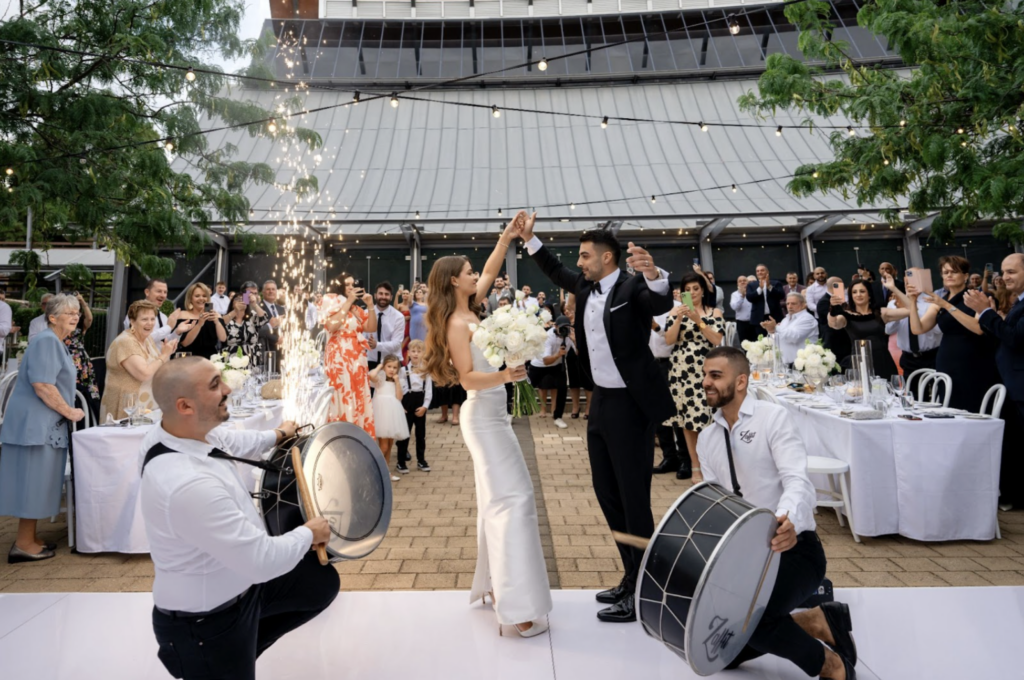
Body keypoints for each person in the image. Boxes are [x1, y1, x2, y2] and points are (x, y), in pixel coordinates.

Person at [141, 357, 338, 680]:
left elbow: (233, 441)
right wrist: (308, 533)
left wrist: (277, 434)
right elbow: (261, 561)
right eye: (215, 385)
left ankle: (243, 647)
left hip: (244, 591)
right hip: (205, 622)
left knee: (318, 582)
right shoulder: (188, 485)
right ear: (185, 405)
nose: (228, 389)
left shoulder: (180, 433)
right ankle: (221, 656)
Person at [522, 215, 674, 624]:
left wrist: (655, 273)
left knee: (633, 497)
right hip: (600, 401)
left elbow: (661, 301)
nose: (580, 261)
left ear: (608, 258)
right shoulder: (585, 286)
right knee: (606, 491)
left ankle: (645, 588)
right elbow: (554, 268)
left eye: (586, 255)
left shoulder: (633, 286)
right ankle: (630, 574)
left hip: (632, 404)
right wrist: (530, 238)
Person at [422, 211, 552, 637]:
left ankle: (497, 587)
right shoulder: (457, 323)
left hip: (498, 413)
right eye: (468, 272)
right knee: (511, 501)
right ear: (453, 282)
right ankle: (516, 606)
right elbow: (466, 379)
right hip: (482, 416)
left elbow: (495, 264)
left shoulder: (474, 307)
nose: (476, 275)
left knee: (499, 502)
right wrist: (506, 375)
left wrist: (509, 235)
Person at [697, 346, 857, 680]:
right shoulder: (707, 439)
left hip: (796, 551)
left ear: (741, 381)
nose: (706, 382)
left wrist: (787, 521)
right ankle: (814, 620)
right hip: (747, 561)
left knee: (751, 620)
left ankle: (831, 665)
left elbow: (798, 481)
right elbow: (719, 507)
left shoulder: (773, 418)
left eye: (715, 375)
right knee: (725, 652)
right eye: (704, 374)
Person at [0, 294, 86, 562]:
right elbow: (43, 385)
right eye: (69, 312)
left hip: (43, 425)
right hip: (35, 427)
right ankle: (23, 544)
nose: (75, 316)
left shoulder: (55, 342)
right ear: (52, 317)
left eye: (77, 313)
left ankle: (31, 538)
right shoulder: (48, 341)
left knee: (39, 481)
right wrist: (70, 411)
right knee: (33, 483)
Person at [886, 256, 1000, 411]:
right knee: (949, 406)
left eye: (954, 272)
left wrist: (946, 305)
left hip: (973, 360)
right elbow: (918, 329)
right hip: (947, 361)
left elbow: (978, 328)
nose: (949, 275)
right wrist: (912, 301)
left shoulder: (977, 297)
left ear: (965, 276)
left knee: (974, 406)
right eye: (945, 272)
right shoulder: (941, 300)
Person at [966, 253, 1024, 510]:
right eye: (1003, 271)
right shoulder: (1018, 303)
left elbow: (1015, 338)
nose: (1005, 276)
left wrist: (985, 312)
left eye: (1011, 271)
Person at [664, 272, 725, 484]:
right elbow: (669, 340)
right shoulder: (675, 311)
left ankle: (714, 465)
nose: (692, 293)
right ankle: (695, 467)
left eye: (696, 289)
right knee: (688, 422)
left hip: (708, 371)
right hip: (682, 372)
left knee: (709, 419)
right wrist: (680, 317)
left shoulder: (713, 311)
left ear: (703, 290)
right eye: (687, 290)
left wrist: (698, 320)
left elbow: (716, 339)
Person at [102, 300, 179, 421]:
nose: (150, 323)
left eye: (152, 319)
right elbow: (144, 374)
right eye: (144, 319)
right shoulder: (126, 342)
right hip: (127, 409)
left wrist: (168, 353)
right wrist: (164, 355)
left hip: (147, 407)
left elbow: (158, 366)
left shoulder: (147, 339)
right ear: (132, 321)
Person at [322, 277, 377, 436]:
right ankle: (342, 434)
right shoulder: (331, 300)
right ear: (339, 286)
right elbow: (332, 326)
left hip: (357, 358)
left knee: (357, 394)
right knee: (343, 392)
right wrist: (349, 301)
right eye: (347, 284)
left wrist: (370, 305)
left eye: (354, 284)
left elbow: (371, 327)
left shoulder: (355, 309)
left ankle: (358, 434)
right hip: (339, 357)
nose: (352, 287)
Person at [827, 280, 900, 379]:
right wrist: (832, 309)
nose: (858, 295)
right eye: (854, 292)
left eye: (862, 291)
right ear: (851, 296)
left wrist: (894, 288)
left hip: (883, 361)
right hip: (860, 363)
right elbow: (833, 323)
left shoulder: (881, 313)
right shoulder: (847, 316)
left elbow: (911, 310)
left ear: (869, 294)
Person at [650, 290, 687, 478]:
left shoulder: (676, 307)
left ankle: (684, 459)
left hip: (671, 363)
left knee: (676, 412)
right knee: (658, 415)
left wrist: (656, 327)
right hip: (649, 363)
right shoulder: (643, 305)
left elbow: (672, 338)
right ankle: (669, 457)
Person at [884, 293, 942, 389]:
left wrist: (915, 311)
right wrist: (899, 312)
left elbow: (938, 330)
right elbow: (888, 330)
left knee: (936, 392)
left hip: (931, 356)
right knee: (912, 395)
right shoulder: (895, 302)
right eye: (907, 277)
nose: (910, 281)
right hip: (909, 358)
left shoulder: (932, 301)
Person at [528, 315, 573, 429]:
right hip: (540, 364)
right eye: (561, 327)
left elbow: (578, 352)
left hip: (557, 365)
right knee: (528, 387)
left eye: (566, 327)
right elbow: (546, 361)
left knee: (562, 388)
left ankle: (558, 417)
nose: (564, 330)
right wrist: (558, 354)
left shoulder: (569, 336)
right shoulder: (548, 336)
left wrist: (575, 339)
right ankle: (512, 412)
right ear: (555, 326)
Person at [369, 354, 409, 481]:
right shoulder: (380, 378)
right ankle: (376, 470)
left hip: (393, 412)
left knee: (390, 444)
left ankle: (386, 472)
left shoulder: (398, 380)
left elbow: (399, 397)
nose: (392, 369)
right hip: (382, 412)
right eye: (389, 366)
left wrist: (397, 381)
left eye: (395, 367)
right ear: (384, 367)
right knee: (384, 446)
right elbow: (371, 375)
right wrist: (380, 365)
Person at [395, 339, 432, 474]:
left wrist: (425, 406)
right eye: (413, 351)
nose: (416, 354)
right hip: (406, 404)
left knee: (420, 434)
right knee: (404, 434)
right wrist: (400, 406)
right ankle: (401, 462)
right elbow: (397, 389)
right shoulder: (403, 371)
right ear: (408, 353)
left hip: (420, 404)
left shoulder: (426, 371)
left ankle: (421, 460)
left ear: (423, 354)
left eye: (419, 351)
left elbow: (428, 390)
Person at [62, 293, 100, 419]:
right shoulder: (59, 325)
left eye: (76, 313)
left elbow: (89, 319)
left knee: (86, 388)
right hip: (66, 357)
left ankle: (88, 412)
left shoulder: (79, 325)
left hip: (81, 360)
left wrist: (83, 302)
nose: (74, 316)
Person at [169, 282, 225, 359]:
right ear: (190, 298)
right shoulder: (183, 315)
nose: (201, 298)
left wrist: (217, 322)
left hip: (210, 358)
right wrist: (199, 324)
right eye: (197, 296)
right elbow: (185, 343)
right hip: (188, 357)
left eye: (204, 296)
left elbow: (223, 338)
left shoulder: (215, 315)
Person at [762, 293, 819, 366]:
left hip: (803, 365)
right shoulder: (785, 320)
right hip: (784, 364)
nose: (789, 306)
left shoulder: (808, 319)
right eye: (787, 304)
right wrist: (771, 331)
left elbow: (794, 337)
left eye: (793, 303)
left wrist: (776, 327)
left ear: (802, 305)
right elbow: (778, 339)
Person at [561, 293, 593, 419]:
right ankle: (575, 407)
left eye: (569, 309)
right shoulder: (563, 325)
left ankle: (589, 409)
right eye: (565, 310)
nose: (568, 312)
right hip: (570, 356)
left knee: (587, 382)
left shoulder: (583, 322)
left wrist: (575, 340)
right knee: (574, 383)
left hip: (585, 355)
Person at [122, 279, 181, 345]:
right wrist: (168, 327)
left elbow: (165, 341)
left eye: (165, 292)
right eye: (159, 291)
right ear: (147, 292)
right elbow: (143, 338)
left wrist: (177, 332)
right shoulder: (135, 311)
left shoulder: (163, 316)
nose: (163, 295)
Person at [363, 282, 405, 374]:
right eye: (380, 293)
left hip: (391, 363)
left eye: (386, 294)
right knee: (369, 389)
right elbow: (361, 338)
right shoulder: (365, 313)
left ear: (391, 297)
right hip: (370, 360)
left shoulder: (398, 317)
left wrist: (377, 345)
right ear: (375, 295)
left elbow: (396, 344)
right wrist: (367, 343)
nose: (383, 297)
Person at [223, 290, 269, 360]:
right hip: (232, 358)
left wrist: (254, 304)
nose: (241, 301)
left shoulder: (252, 317)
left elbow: (264, 318)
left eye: (243, 299)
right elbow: (221, 323)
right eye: (237, 299)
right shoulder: (228, 317)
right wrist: (235, 310)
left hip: (252, 358)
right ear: (232, 303)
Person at [818, 276, 851, 366]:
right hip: (833, 341)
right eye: (841, 286)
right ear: (834, 286)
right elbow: (834, 317)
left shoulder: (842, 300)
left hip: (844, 340)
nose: (843, 289)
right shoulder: (824, 302)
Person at [258, 280, 286, 363]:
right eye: (268, 289)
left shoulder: (281, 309)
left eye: (273, 289)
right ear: (263, 292)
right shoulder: (258, 308)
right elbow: (258, 330)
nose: (271, 291)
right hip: (267, 351)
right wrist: (276, 339)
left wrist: (285, 338)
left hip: (282, 351)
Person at [731, 275, 756, 344]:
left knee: (756, 343)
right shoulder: (735, 294)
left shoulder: (753, 293)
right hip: (742, 323)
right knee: (744, 344)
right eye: (740, 281)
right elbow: (735, 307)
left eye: (744, 281)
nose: (742, 282)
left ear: (747, 282)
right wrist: (742, 296)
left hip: (754, 322)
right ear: (737, 283)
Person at [0, 288, 20, 358]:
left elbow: (4, 330)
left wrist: (8, 329)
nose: (1, 302)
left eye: (3, 299)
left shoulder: (4, 308)